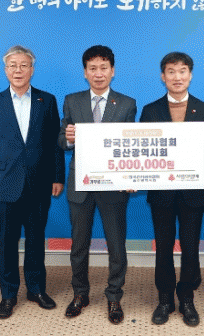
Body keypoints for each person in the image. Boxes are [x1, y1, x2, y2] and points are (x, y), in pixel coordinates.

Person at [0, 45, 65, 319]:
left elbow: (54, 143)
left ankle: (36, 289)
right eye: (12, 65)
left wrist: (58, 176)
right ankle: (8, 294)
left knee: (36, 240)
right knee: (7, 243)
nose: (18, 70)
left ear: (32, 69)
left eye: (23, 65)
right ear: (6, 70)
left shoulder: (47, 100)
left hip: (40, 182)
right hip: (5, 183)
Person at [58, 45, 136, 324]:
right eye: (93, 68)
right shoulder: (72, 100)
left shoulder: (126, 104)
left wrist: (131, 177)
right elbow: (61, 140)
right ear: (85, 72)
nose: (98, 73)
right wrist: (68, 138)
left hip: (113, 186)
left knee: (116, 245)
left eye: (104, 68)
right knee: (79, 245)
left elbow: (130, 146)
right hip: (80, 185)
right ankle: (80, 293)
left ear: (112, 71)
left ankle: (114, 296)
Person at [139, 51, 204, 327]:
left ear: (190, 75)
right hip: (161, 192)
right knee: (163, 247)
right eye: (171, 71)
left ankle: (186, 299)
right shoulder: (150, 110)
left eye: (182, 71)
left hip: (192, 193)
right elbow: (142, 150)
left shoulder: (203, 109)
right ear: (163, 77)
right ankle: (164, 299)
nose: (177, 77)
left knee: (190, 247)